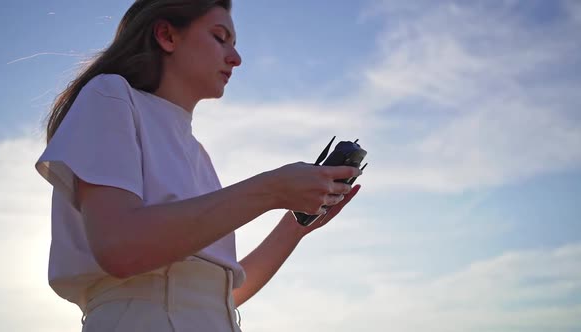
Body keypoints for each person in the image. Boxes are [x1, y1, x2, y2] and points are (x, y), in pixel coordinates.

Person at [34, 0, 362, 331]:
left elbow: (220, 296)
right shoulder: (111, 95)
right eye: (220, 38)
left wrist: (295, 226)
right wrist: (272, 189)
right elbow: (121, 248)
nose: (236, 58)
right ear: (166, 35)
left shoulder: (197, 152)